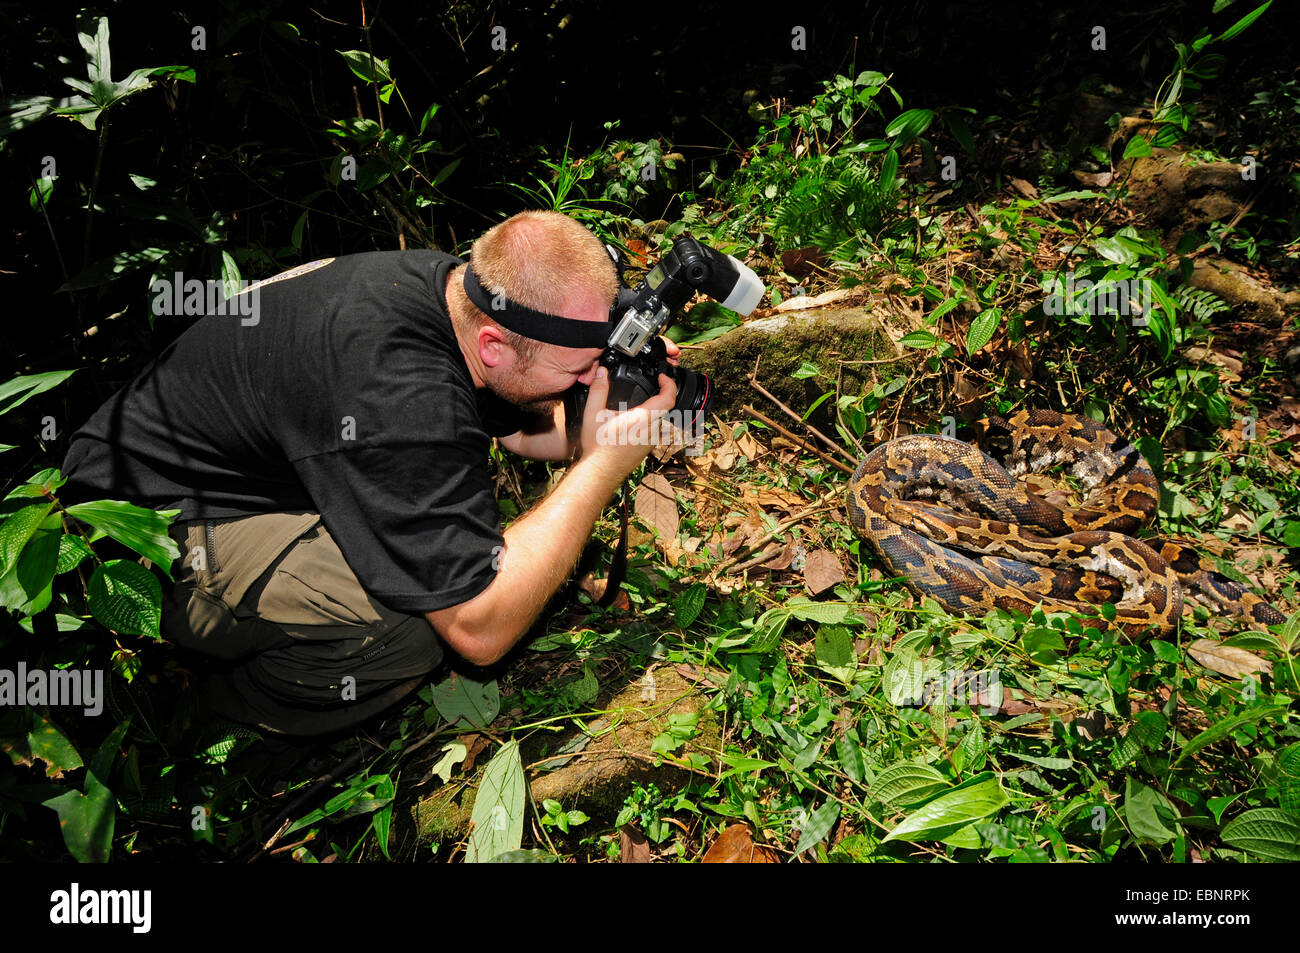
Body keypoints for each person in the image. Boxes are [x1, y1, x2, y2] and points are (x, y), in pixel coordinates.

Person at [61, 211, 680, 737]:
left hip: (239, 463)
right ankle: (214, 714)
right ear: (495, 345)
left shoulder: (457, 293)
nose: (585, 381)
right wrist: (600, 468)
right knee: (411, 629)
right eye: (577, 371)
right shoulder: (400, 396)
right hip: (132, 524)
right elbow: (480, 628)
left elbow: (518, 425)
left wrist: (614, 407)